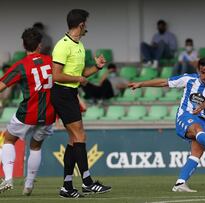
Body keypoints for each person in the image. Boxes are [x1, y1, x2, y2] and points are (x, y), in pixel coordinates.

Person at [128, 57, 205, 192]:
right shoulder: (188, 79)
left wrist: (201, 107)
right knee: (197, 130)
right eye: (202, 72)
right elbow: (164, 82)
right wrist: (141, 84)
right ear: (199, 70)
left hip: (201, 121)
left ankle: (180, 184)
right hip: (185, 117)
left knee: (196, 153)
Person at [50, 9, 111, 198]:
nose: (87, 26)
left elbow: (82, 74)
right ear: (81, 24)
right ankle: (87, 182)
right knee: (80, 136)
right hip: (62, 94)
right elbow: (56, 75)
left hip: (70, 93)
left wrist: (97, 68)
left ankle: (67, 186)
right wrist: (77, 77)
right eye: (86, 23)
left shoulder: (79, 45)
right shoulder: (62, 45)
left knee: (73, 140)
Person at [0, 28, 56, 196]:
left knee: (8, 139)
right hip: (48, 114)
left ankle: (8, 178)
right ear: (40, 45)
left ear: (23, 45)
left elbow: (2, 86)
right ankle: (29, 184)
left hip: (27, 113)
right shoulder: (52, 61)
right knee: (36, 146)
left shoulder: (21, 66)